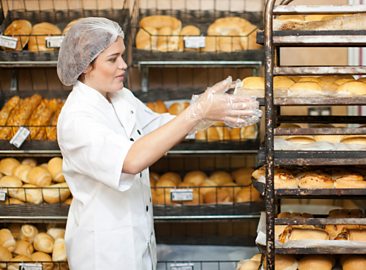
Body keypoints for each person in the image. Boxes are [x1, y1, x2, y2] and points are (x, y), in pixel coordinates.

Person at [56, 17, 261, 270]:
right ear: (86, 66)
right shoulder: (77, 119)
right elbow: (130, 160)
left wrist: (204, 111)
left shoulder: (119, 97)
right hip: (105, 251)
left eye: (122, 55)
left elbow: (158, 128)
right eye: (113, 59)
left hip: (139, 238)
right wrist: (196, 113)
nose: (124, 65)